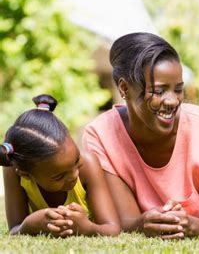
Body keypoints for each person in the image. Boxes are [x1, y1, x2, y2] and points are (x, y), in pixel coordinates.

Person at [83, 32, 199, 239]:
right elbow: (125, 221)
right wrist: (142, 223)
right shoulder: (101, 135)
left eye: (178, 90)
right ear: (124, 88)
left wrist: (191, 226)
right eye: (159, 91)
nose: (172, 101)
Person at [1, 94, 120, 236]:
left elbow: (112, 228)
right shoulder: (14, 170)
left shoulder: (88, 164)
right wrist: (28, 226)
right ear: (25, 174)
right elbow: (15, 229)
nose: (74, 175)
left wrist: (87, 228)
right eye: (59, 176)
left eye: (76, 160)